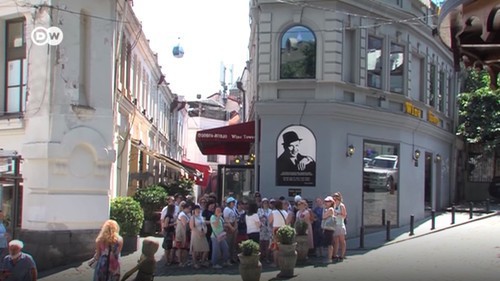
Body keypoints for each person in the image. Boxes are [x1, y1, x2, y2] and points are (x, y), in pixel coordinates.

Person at [268, 200, 288, 267]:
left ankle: (275, 263)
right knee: (282, 246)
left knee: (275, 247)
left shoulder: (273, 212)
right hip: (284, 230)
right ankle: (282, 262)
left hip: (275, 230)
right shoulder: (285, 212)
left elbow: (269, 221)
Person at [332, 192, 347, 262]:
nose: (335, 197)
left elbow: (344, 215)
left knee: (342, 241)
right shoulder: (333, 205)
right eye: (334, 196)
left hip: (340, 224)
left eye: (336, 196)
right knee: (335, 241)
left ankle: (342, 255)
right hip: (334, 225)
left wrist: (337, 214)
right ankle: (334, 255)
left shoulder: (341, 205)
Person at [257, 198, 272, 263]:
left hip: (268, 228)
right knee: (261, 243)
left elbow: (270, 219)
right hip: (261, 228)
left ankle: (267, 257)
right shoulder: (259, 210)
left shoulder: (270, 211)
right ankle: (260, 257)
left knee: (267, 243)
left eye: (266, 203)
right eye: (264, 203)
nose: (265, 204)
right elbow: (259, 217)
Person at [321, 196, 335, 264]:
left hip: (329, 228)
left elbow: (323, 217)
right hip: (326, 228)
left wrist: (324, 208)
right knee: (327, 243)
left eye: (328, 201)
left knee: (329, 244)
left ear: (331, 202)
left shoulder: (330, 209)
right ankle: (328, 257)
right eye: (325, 201)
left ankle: (329, 258)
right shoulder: (326, 209)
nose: (326, 203)